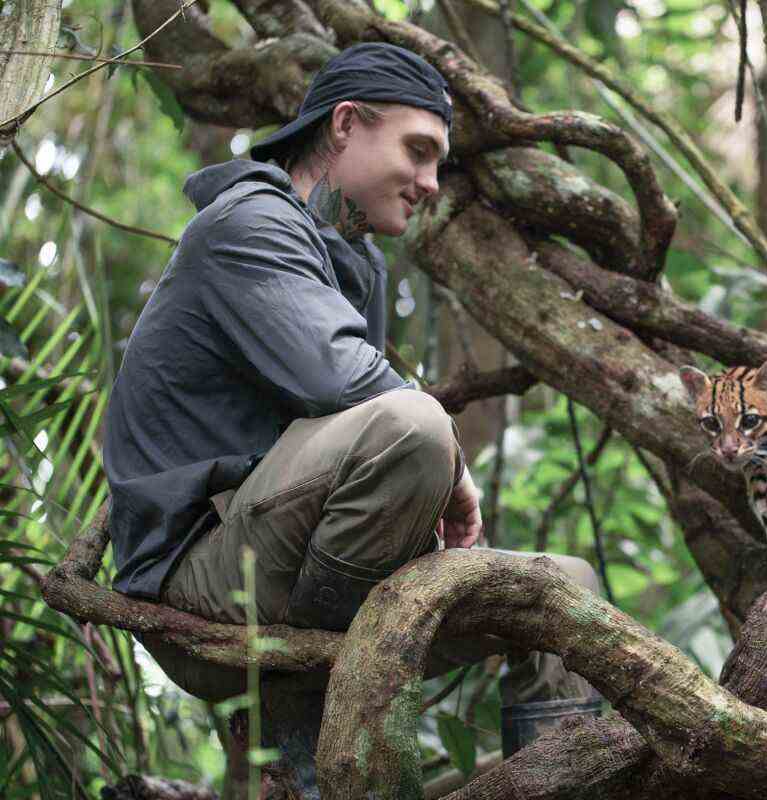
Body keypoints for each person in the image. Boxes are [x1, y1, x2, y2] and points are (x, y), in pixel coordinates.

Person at [102, 42, 597, 740]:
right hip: (199, 588)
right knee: (415, 427)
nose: (430, 181)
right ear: (344, 125)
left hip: (294, 560)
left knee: (564, 590)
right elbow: (349, 385)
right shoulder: (250, 223)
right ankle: (315, 709)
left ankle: (562, 777)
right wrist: (453, 472)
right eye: (418, 150)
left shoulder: (354, 261)